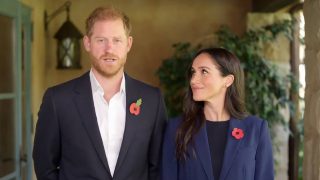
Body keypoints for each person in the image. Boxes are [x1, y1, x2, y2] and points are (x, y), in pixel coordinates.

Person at [33, 6, 167, 180]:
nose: (109, 49)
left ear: (129, 44)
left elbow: (158, 165)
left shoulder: (152, 100)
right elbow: (44, 165)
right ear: (87, 43)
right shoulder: (57, 100)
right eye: (101, 40)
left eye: (117, 40)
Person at [161, 48, 274, 180]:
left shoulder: (256, 129)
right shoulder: (176, 128)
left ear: (228, 80)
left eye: (204, 71)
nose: (193, 80)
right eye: (193, 72)